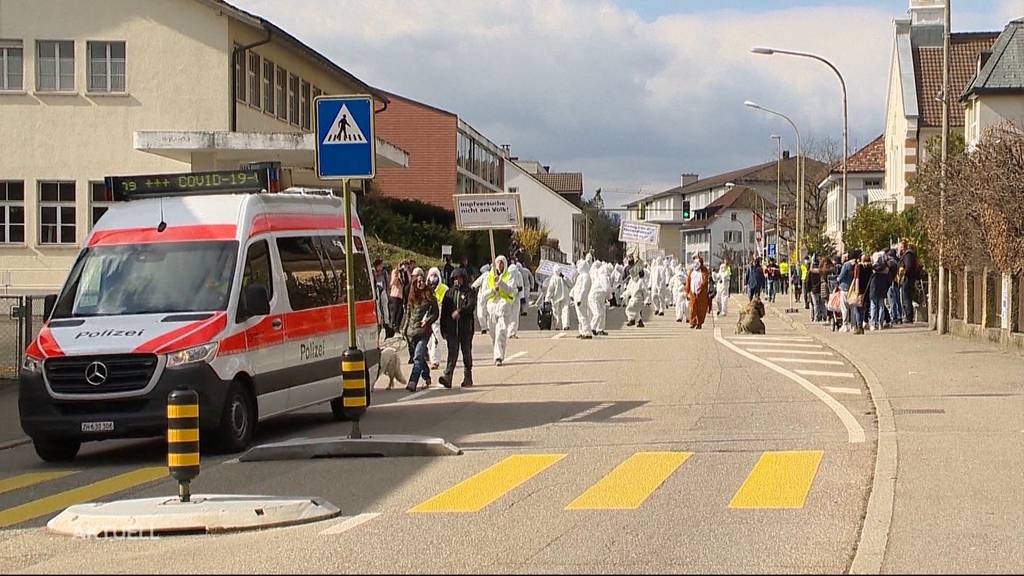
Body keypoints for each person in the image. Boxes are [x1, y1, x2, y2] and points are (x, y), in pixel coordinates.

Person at [401, 268, 438, 391]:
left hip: (423, 332)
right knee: (420, 357)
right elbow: (408, 315)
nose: (420, 283)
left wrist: (427, 321)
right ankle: (426, 376)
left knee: (417, 356)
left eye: (422, 281)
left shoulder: (430, 297)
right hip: (412, 332)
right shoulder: (411, 298)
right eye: (418, 281)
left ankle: (412, 382)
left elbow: (435, 313)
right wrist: (404, 330)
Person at [439, 268, 475, 388]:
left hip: (465, 329)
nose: (457, 281)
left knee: (466, 353)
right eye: (454, 278)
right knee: (452, 353)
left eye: (459, 278)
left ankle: (468, 377)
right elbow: (444, 312)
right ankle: (448, 377)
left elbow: (470, 306)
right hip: (452, 330)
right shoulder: (449, 293)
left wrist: (460, 311)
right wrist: (443, 329)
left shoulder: (469, 292)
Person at [481, 256, 516, 365]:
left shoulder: (509, 276)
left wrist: (500, 282)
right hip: (492, 308)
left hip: (503, 307)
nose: (500, 265)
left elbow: (510, 290)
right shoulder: (489, 276)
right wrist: (493, 290)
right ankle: (497, 351)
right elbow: (484, 294)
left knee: (501, 331)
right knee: (493, 334)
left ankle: (498, 357)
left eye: (502, 263)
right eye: (498, 263)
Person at [426, 267, 448, 370]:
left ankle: (435, 361)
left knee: (437, 340)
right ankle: (432, 358)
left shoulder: (444, 289)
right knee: (429, 343)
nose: (433, 278)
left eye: (435, 275)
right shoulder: (426, 289)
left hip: (439, 320)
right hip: (427, 320)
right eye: (431, 275)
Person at [685, 252, 711, 329]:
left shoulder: (704, 271)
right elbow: (688, 282)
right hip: (693, 293)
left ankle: (699, 323)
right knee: (692, 308)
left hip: (701, 293)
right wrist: (687, 291)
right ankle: (692, 322)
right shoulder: (691, 272)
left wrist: (700, 289)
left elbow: (705, 281)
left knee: (701, 309)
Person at [868, 250, 892, 331]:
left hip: (874, 287)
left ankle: (873, 323)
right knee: (881, 305)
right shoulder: (885, 268)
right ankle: (880, 323)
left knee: (873, 305)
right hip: (882, 287)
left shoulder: (873, 268)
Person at [898, 239, 919, 323]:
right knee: (906, 296)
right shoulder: (907, 254)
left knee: (906, 296)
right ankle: (908, 315)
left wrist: (904, 274)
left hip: (907, 278)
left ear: (903, 247)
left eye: (899, 247)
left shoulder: (908, 254)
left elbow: (908, 267)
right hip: (908, 277)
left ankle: (908, 316)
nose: (898, 249)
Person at [571, 259, 593, 339]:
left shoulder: (586, 276)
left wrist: (580, 298)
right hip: (577, 298)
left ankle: (587, 332)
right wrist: (572, 294)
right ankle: (582, 331)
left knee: (583, 315)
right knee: (579, 316)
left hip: (581, 299)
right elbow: (576, 287)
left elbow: (584, 288)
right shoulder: (580, 276)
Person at [588, 262, 611, 336]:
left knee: (602, 314)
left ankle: (600, 329)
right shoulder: (603, 277)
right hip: (595, 297)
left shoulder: (602, 276)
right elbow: (606, 288)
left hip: (600, 298)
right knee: (597, 313)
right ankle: (592, 327)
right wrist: (609, 297)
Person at [388, 261, 407, 341]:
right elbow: (392, 283)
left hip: (400, 295)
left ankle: (397, 327)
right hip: (394, 295)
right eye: (403, 265)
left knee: (401, 312)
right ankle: (392, 328)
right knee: (394, 312)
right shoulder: (395, 272)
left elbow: (405, 282)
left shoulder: (403, 273)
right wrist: (396, 274)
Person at [471, 263, 491, 334]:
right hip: (487, 295)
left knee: (482, 312)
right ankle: (487, 327)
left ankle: (485, 327)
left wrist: (472, 288)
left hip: (485, 295)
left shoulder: (486, 275)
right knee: (487, 312)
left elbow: (476, 283)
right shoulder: (489, 274)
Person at [507, 262, 525, 339]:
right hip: (509, 297)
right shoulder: (516, 275)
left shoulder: (516, 275)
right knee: (511, 315)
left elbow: (521, 286)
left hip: (515, 297)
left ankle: (512, 332)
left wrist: (521, 296)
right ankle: (510, 332)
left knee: (513, 315)